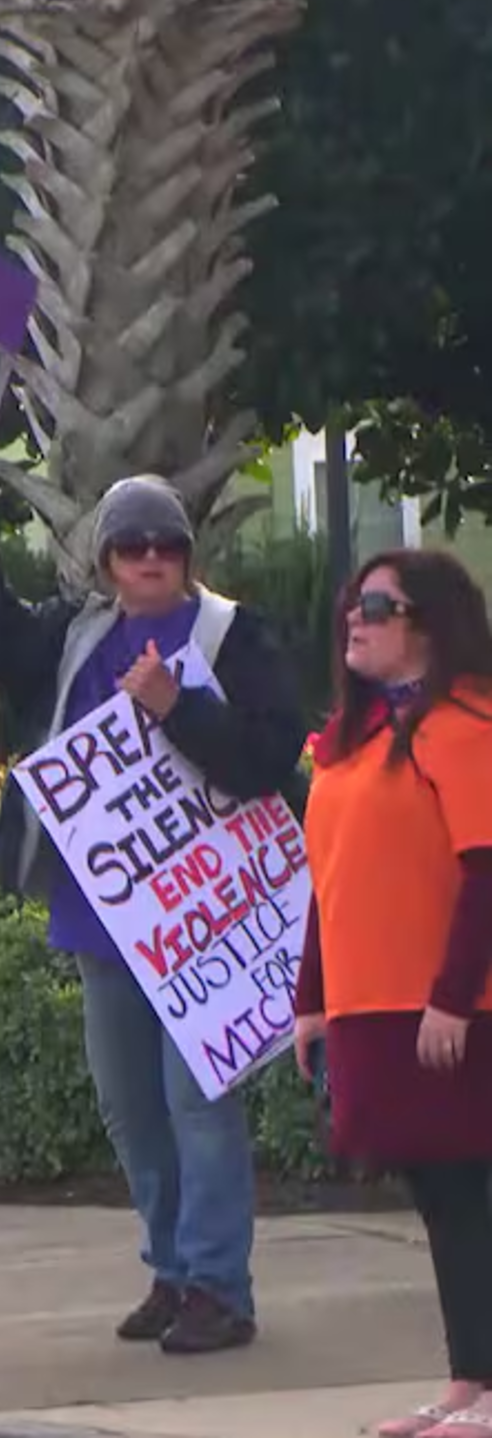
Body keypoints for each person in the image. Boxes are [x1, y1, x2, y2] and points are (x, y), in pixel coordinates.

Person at [0, 472, 305, 1355]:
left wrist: (177, 710)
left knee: (197, 1098)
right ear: (104, 560)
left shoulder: (231, 636)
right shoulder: (77, 636)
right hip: (103, 918)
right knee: (131, 1105)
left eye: (166, 544)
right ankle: (174, 1269)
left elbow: (266, 754)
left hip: (208, 923)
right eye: (132, 545)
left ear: (188, 555)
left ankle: (220, 1286)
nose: (150, 559)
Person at [294, 550, 492, 1437]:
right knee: (441, 1192)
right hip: (375, 1005)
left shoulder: (466, 724)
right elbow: (328, 878)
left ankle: (479, 1386)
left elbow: (486, 872)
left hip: (457, 1011)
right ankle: (471, 1382)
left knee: (467, 1189)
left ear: (430, 624)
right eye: (353, 604)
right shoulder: (355, 740)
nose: (356, 619)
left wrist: (454, 997)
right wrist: (311, 998)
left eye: (380, 605)